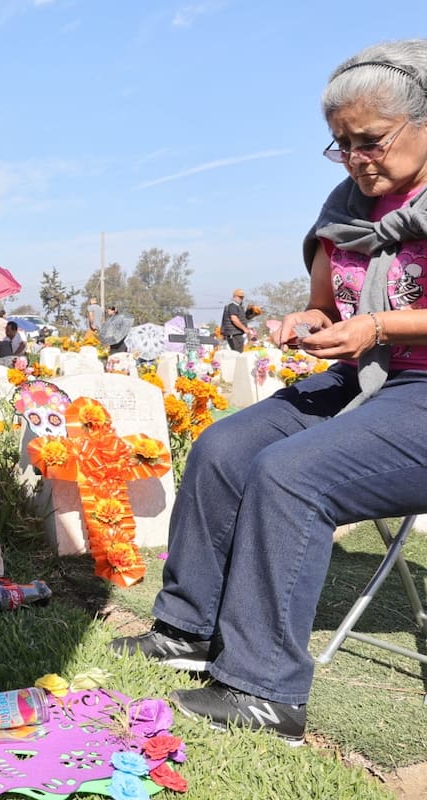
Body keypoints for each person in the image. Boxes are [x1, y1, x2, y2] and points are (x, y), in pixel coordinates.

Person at [110, 39, 427, 745]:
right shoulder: (344, 206)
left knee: (292, 475)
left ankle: (265, 693)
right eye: (340, 145)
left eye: (370, 141)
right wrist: (305, 323)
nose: (354, 159)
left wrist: (378, 325)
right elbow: (328, 307)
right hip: (364, 378)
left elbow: (372, 321)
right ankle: (188, 630)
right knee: (225, 446)